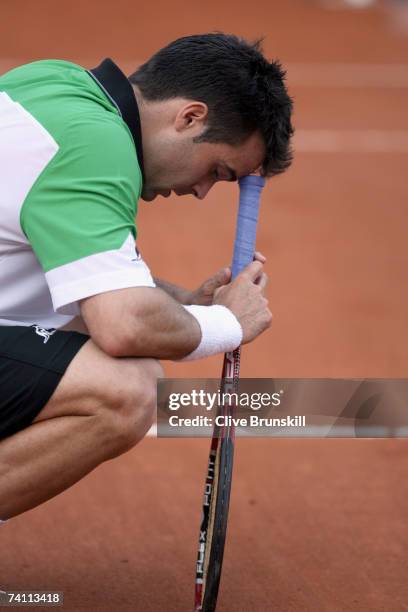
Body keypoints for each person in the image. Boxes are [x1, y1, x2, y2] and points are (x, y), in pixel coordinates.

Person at [0, 33, 293, 520]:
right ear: (190, 117)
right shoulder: (96, 151)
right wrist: (227, 323)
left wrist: (185, 306)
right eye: (218, 171)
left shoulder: (58, 84)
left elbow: (72, 276)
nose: (202, 191)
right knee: (127, 389)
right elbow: (124, 325)